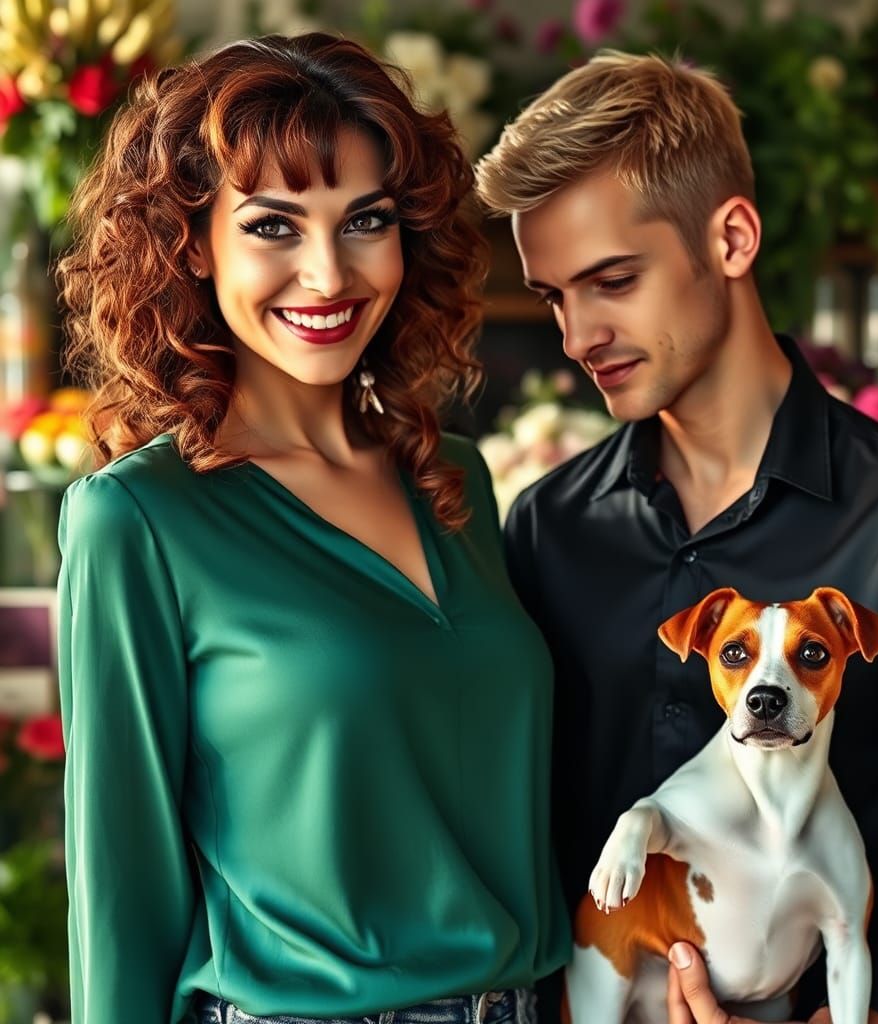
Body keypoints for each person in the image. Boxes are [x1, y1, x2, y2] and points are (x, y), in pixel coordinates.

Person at [474, 50, 878, 1024]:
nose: (575, 334)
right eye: (555, 295)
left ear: (730, 238)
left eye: (612, 280)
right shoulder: (548, 525)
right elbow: (527, 829)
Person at [55, 32, 570, 1024]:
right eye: (275, 227)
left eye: (364, 220)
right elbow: (122, 884)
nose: (328, 274)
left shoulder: (452, 481)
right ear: (193, 244)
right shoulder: (139, 520)